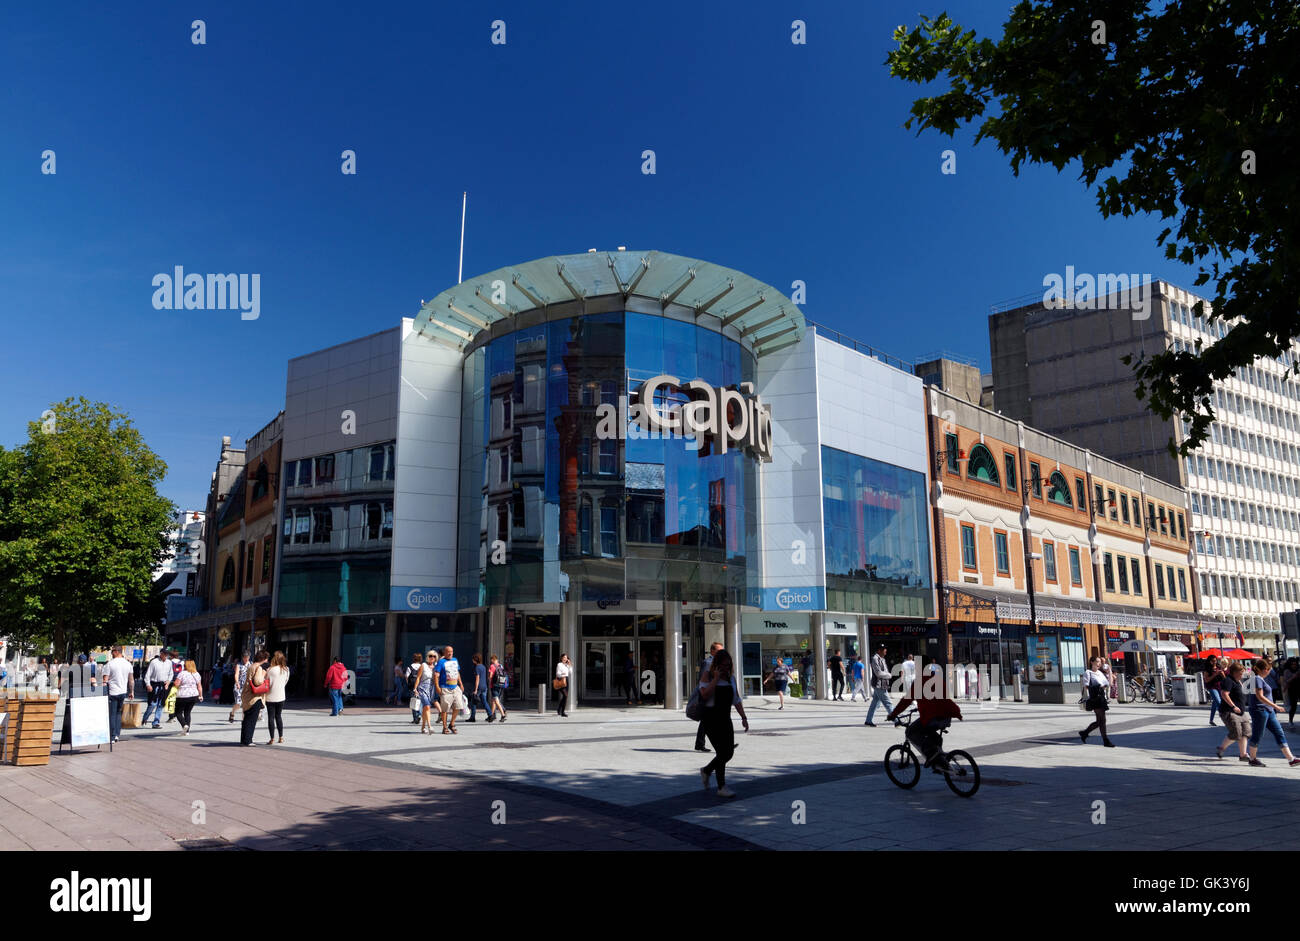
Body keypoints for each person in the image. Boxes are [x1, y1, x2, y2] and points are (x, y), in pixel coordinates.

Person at [887, 664, 963, 769]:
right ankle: (939, 762)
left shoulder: (919, 683)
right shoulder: (939, 681)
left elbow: (906, 701)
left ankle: (930, 755)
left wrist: (893, 714)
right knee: (934, 736)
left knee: (910, 732)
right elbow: (944, 700)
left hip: (932, 718)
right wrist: (957, 713)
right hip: (946, 718)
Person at [697, 648, 749, 798]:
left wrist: (744, 718)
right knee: (722, 752)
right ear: (717, 664)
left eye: (728, 665)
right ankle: (721, 786)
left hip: (725, 719)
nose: (726, 668)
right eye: (723, 665)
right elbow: (705, 694)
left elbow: (737, 700)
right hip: (711, 720)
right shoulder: (707, 675)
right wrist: (715, 679)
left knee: (728, 753)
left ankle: (707, 770)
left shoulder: (731, 679)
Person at [1246, 658, 1300, 767]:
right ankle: (1252, 758)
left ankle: (1291, 759)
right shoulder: (1257, 679)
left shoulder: (1259, 679)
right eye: (1268, 669)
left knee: (1279, 732)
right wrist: (1276, 706)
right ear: (1264, 669)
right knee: (1258, 734)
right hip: (1260, 710)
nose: (1270, 672)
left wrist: (1272, 708)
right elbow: (1259, 696)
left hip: (1268, 711)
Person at [1215, 661, 1252, 761]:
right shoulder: (1228, 680)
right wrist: (1233, 706)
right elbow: (1224, 694)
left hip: (1241, 712)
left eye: (1243, 672)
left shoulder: (1238, 680)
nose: (1242, 675)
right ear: (1234, 672)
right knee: (1236, 733)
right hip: (1229, 711)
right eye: (1241, 673)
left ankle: (1243, 754)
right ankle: (1221, 748)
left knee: (1246, 732)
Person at [1078, 656, 1114, 747]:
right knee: (1102, 720)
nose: (1099, 663)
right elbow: (1086, 686)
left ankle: (1085, 733)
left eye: (1100, 662)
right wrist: (1098, 686)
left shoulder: (1100, 673)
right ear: (1092, 662)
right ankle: (1105, 740)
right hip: (1095, 698)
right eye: (1097, 662)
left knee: (1100, 721)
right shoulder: (1088, 672)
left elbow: (1109, 684)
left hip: (1102, 697)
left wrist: (1110, 672)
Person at [102, 647, 135, 744]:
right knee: (118, 713)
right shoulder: (128, 664)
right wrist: (131, 691)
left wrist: (103, 691)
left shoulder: (110, 664)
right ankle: (117, 734)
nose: (111, 654)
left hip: (112, 692)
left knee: (112, 714)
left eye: (112, 652)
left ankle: (111, 736)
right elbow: (131, 680)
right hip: (122, 692)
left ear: (116, 652)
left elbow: (105, 680)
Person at [239, 650, 271, 746]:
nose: (267, 661)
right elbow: (258, 681)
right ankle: (248, 740)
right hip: (255, 697)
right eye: (266, 659)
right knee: (251, 720)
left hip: (247, 695)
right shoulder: (259, 667)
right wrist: (264, 673)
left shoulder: (252, 665)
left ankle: (244, 739)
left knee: (246, 719)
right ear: (264, 659)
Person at [696, 642, 724, 751]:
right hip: (709, 696)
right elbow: (703, 680)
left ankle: (700, 744)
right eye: (719, 651)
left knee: (707, 722)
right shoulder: (708, 662)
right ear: (712, 651)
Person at [435, 646, 464, 734]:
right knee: (445, 709)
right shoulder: (441, 662)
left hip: (455, 687)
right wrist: (437, 686)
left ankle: (451, 724)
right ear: (444, 653)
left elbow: (457, 672)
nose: (450, 653)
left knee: (458, 706)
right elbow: (436, 675)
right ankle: (444, 727)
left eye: (451, 651)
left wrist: (461, 683)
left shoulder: (455, 660)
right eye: (448, 652)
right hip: (445, 688)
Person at [142, 649, 173, 729]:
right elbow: (147, 675)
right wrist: (148, 685)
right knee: (152, 704)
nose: (166, 656)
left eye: (167, 655)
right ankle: (145, 718)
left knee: (160, 705)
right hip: (154, 685)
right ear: (161, 654)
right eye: (165, 654)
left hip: (164, 686)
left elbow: (171, 674)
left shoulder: (169, 663)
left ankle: (156, 722)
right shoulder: (154, 662)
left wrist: (168, 681)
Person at [864, 645, 893, 727]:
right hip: (878, 685)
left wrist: (887, 675)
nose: (885, 651)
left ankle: (868, 720)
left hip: (882, 684)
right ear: (879, 650)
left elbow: (885, 671)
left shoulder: (882, 659)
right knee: (888, 703)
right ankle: (897, 720)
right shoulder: (875, 659)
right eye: (884, 650)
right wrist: (889, 675)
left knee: (874, 704)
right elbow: (878, 673)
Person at [172, 659, 203, 736]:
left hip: (183, 695)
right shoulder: (197, 674)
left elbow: (176, 684)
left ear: (186, 665)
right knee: (187, 713)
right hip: (193, 695)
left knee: (178, 712)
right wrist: (201, 695)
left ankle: (184, 725)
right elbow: (199, 686)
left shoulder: (182, 673)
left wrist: (174, 684)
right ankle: (187, 731)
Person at [266, 650, 290, 745]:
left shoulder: (270, 670)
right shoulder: (286, 669)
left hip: (271, 696)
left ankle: (272, 738)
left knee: (271, 717)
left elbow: (267, 683)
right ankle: (281, 737)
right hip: (281, 696)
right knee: (278, 716)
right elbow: (285, 681)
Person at [415, 650, 438, 734]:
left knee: (425, 708)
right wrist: (415, 688)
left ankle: (423, 727)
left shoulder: (436, 666)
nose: (432, 657)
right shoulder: (423, 665)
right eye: (431, 656)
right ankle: (429, 726)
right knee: (427, 706)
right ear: (428, 657)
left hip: (431, 689)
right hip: (422, 688)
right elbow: (418, 678)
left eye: (434, 656)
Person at [228, 652, 250, 723]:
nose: (246, 659)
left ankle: (244, 719)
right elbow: (236, 674)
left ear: (249, 657)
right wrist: (237, 682)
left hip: (247, 686)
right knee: (238, 703)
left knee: (245, 704)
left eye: (247, 657)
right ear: (242, 657)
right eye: (244, 657)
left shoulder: (251, 665)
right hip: (239, 686)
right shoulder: (239, 665)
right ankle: (232, 712)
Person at [1203, 655, 1225, 726]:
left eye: (1215, 660)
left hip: (1219, 686)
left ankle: (1211, 720)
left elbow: (1224, 678)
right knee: (1218, 702)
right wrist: (1215, 674)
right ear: (1209, 661)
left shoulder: (1219, 667)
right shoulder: (1207, 669)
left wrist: (1222, 674)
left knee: (1214, 704)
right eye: (1213, 661)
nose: (1214, 662)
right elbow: (1206, 680)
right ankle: (1225, 718)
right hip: (1212, 687)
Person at [467, 654, 489, 722]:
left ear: (475, 660)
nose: (472, 660)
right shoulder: (483, 667)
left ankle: (472, 717)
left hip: (479, 687)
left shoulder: (477, 667)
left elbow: (477, 678)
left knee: (474, 701)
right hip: (484, 686)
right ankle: (490, 715)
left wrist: (476, 689)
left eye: (473, 659)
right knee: (484, 702)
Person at [487, 654, 508, 723]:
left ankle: (503, 715)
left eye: (491, 660)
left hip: (494, 686)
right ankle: (492, 716)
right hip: (501, 685)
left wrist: (489, 680)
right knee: (494, 701)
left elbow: (490, 676)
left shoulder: (492, 666)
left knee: (496, 701)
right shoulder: (500, 666)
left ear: (492, 660)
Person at [1281, 657, 1300, 728]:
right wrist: (1294, 676)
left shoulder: (1298, 669)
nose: (1294, 665)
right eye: (1292, 664)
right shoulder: (1287, 671)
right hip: (1292, 690)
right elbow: (1287, 681)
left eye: (1295, 664)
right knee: (1293, 706)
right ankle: (1290, 720)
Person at [407, 652, 424, 725]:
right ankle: (420, 714)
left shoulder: (410, 667)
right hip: (421, 686)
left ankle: (415, 718)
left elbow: (406, 676)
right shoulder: (422, 666)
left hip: (412, 686)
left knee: (414, 701)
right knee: (420, 701)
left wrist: (409, 684)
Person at [554, 653, 571, 717]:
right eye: (564, 657)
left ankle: (559, 710)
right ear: (561, 658)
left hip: (566, 680)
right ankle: (562, 711)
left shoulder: (567, 665)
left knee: (565, 697)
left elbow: (570, 672)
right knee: (565, 695)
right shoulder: (559, 664)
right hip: (561, 680)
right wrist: (562, 674)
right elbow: (558, 673)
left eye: (566, 657)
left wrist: (569, 665)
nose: (565, 659)